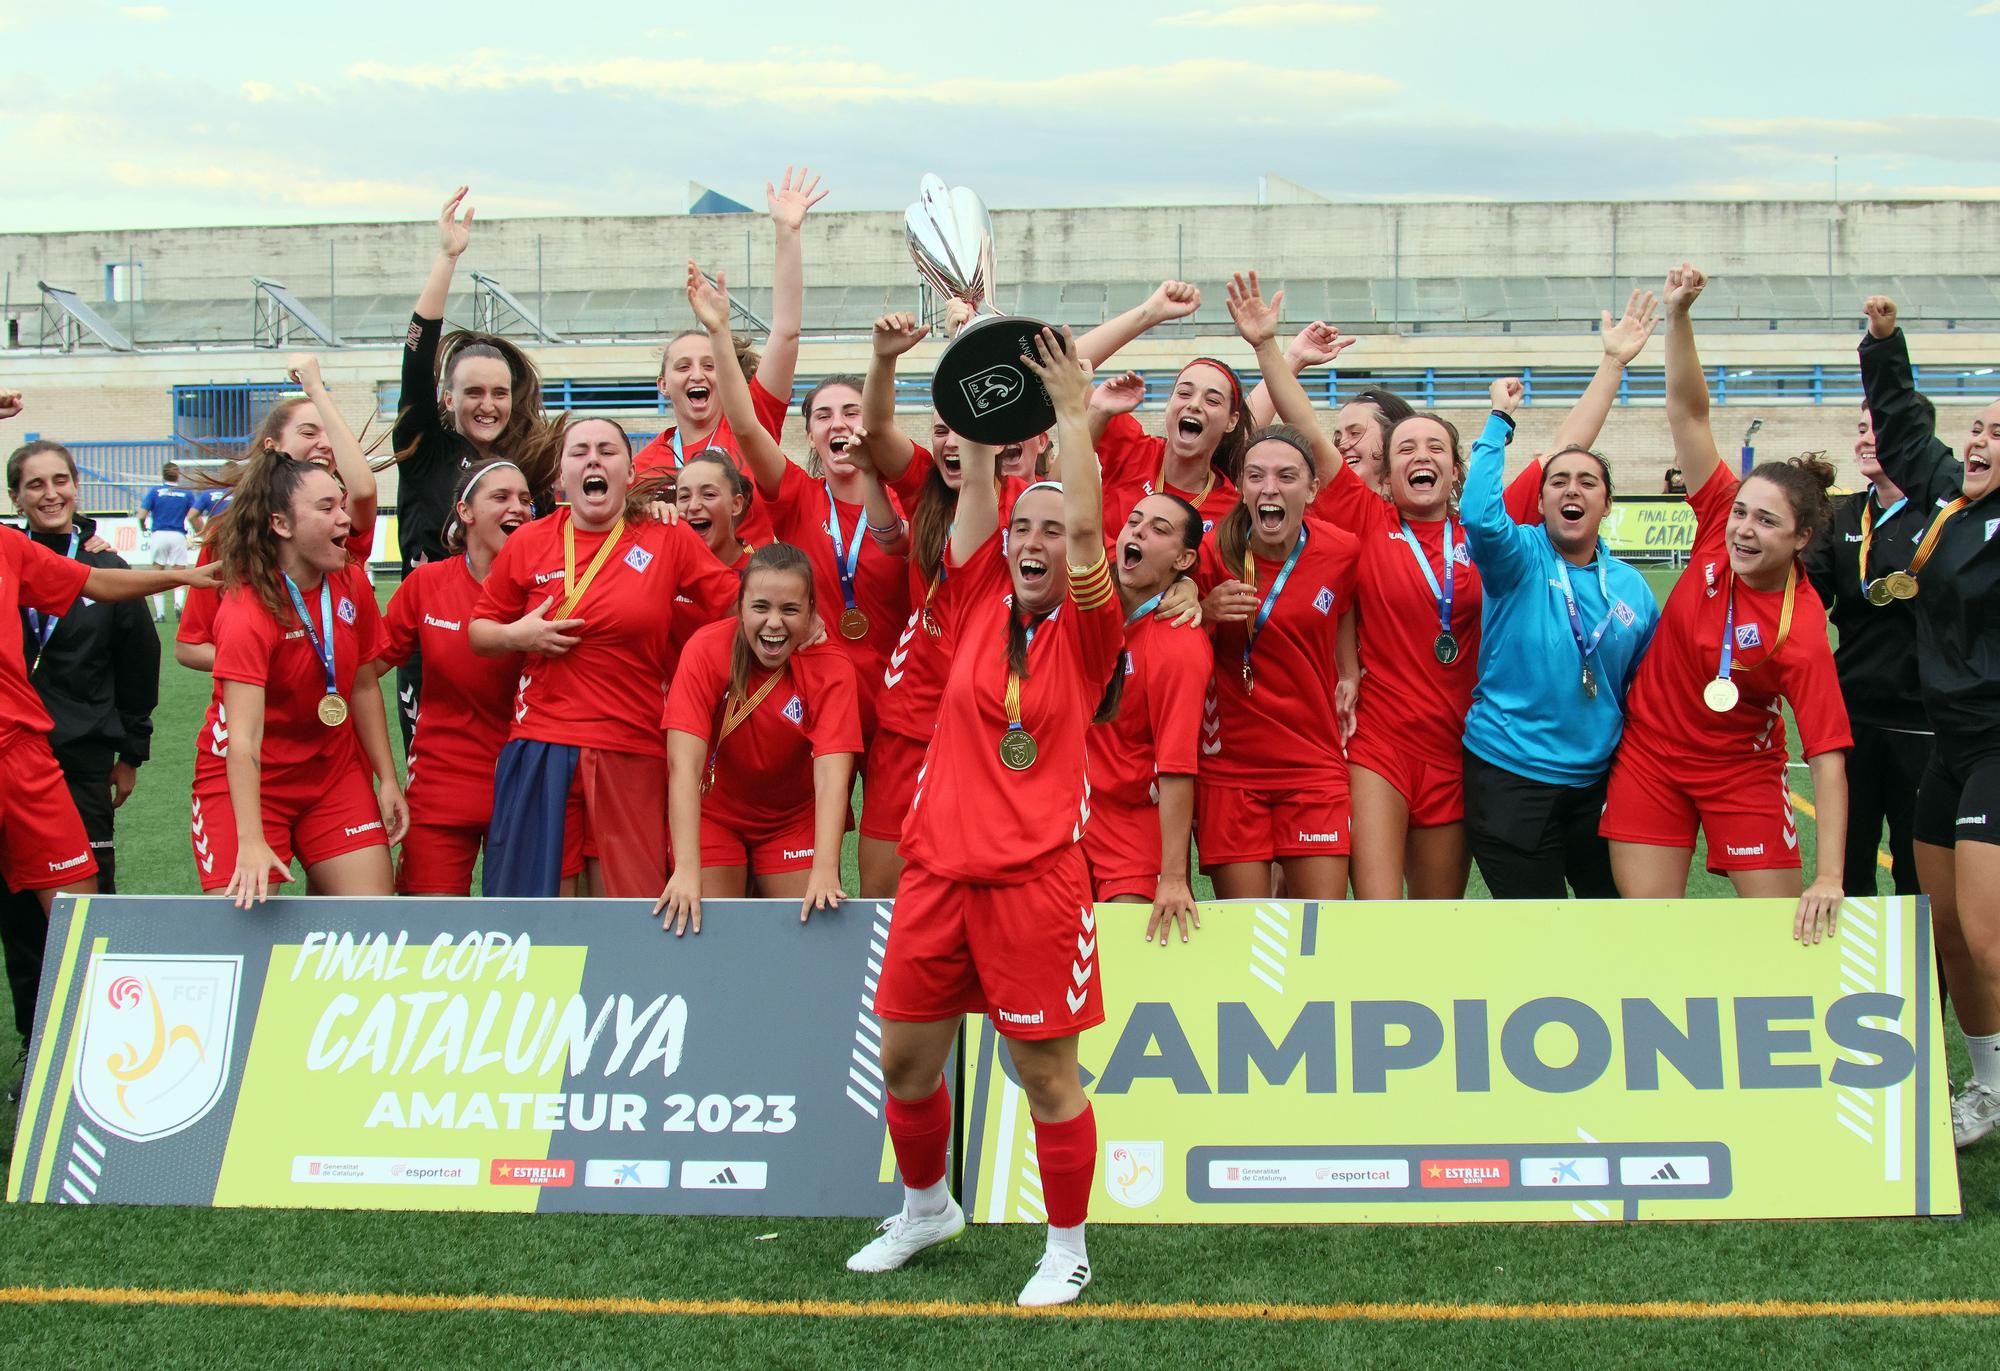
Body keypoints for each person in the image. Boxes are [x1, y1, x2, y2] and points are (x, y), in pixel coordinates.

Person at [851, 328, 1119, 1308]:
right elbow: (969, 482)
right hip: (936, 871)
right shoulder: (971, 599)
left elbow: (1086, 532)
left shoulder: (1088, 630)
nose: (1035, 541)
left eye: (1049, 529)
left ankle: (1066, 1247)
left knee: (1043, 1074)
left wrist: (1072, 415)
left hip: (1034, 882)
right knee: (903, 1062)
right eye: (1022, 529)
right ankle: (926, 1208)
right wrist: (972, 396)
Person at [1239, 272, 1542, 899]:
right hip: (1380, 743)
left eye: (1434, 448)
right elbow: (1308, 430)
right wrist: (1268, 347)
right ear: (1388, 465)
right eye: (1405, 448)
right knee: (1378, 912)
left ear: (1455, 471)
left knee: (1433, 919)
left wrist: (1610, 365)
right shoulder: (1367, 518)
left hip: (1459, 746)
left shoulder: (1486, 531)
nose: (1419, 456)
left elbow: (1567, 454)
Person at [1600, 265, 1849, 939]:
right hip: (1651, 757)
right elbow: (1688, 412)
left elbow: (1827, 754)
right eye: (1742, 511)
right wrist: (1679, 316)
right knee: (1652, 934)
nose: (1743, 529)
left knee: (1778, 937)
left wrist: (1830, 875)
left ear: (1801, 538)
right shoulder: (1715, 520)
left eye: (1766, 521)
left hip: (1741, 771)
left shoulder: (1800, 631)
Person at [470, 417, 739, 899]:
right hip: (542, 742)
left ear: (629, 473)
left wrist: (798, 616)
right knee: (538, 907)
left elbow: (735, 603)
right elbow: (479, 632)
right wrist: (518, 635)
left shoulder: (666, 537)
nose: (593, 459)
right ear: (561, 476)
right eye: (579, 452)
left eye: (607, 451)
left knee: (629, 904)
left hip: (631, 746)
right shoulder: (529, 541)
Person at [1459, 295, 1666, 898]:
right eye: (1558, 482)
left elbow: (1645, 687)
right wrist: (1499, 422)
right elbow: (1478, 514)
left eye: (1587, 483)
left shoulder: (1631, 589)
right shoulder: (1519, 557)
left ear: (1607, 503)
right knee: (1539, 932)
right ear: (1543, 500)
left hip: (1598, 783)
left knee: (1611, 924)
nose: (1572, 491)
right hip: (1509, 776)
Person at [1856, 295, 2000, 1147]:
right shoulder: (1954, 504)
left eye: (1998, 434)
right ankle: (1988, 1087)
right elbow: (1907, 433)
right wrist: (1885, 345)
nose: (1979, 441)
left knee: (1988, 937)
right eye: (1978, 427)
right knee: (1946, 930)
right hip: (1951, 746)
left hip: (1998, 749)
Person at [687, 263, 911, 742]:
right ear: (810, 434)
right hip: (815, 687)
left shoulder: (905, 501)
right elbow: (745, 426)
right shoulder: (795, 495)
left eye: (851, 411)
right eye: (823, 416)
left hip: (897, 694)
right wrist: (720, 333)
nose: (838, 424)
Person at [2, 440, 160, 1081]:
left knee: (87, 903)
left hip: (79, 758)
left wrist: (132, 750)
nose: (50, 494)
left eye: (60, 480)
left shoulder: (104, 564)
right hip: (14, 755)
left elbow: (139, 660)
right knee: (19, 914)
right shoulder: (10, 557)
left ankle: (101, 1047)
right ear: (15, 497)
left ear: (76, 486)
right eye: (35, 484)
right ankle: (35, 1041)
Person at [386, 187, 562, 743]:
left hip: (513, 636)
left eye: (499, 393)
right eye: (473, 392)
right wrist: (447, 258)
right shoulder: (425, 448)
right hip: (433, 646)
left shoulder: (529, 467)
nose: (488, 405)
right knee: (438, 779)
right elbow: (416, 359)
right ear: (447, 398)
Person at [195, 449, 406, 906]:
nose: (344, 519)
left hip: (332, 773)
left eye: (341, 505)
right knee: (242, 928)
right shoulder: (246, 610)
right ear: (281, 524)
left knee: (371, 921)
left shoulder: (351, 582)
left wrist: (387, 778)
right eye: (326, 508)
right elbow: (244, 740)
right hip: (250, 782)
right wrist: (251, 840)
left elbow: (363, 684)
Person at [1798, 367, 1954, 898]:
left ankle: (1927, 956)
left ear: (1914, 441)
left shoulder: (1947, 516)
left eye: (1879, 427)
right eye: (1862, 428)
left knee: (1921, 872)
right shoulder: (1842, 513)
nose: (1866, 438)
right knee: (1849, 865)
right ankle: (1853, 957)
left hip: (1925, 721)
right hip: (1853, 716)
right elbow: (1808, 597)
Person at [1192, 415, 1360, 901]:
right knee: (1246, 933)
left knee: (1316, 929)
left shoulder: (1341, 549)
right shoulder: (1209, 554)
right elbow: (1172, 636)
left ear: (1311, 489)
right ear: (1242, 488)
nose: (1270, 488)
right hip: (1230, 770)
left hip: (1312, 765)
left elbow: (1342, 607)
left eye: (1286, 476)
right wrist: (1205, 610)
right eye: (1256, 476)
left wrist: (1349, 672)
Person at [655, 543, 861, 931]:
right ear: (740, 606)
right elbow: (684, 766)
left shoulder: (831, 667)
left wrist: (824, 868)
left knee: (810, 929)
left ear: (812, 612)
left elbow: (832, 775)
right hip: (715, 814)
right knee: (707, 927)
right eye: (761, 607)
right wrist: (686, 868)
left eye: (790, 610)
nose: (773, 623)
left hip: (791, 821)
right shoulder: (705, 649)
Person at [633, 167, 823, 551]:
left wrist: (787, 233)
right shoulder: (644, 465)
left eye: (710, 365)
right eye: (683, 366)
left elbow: (786, 333)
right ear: (663, 385)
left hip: (750, 586)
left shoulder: (752, 419)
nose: (697, 375)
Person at [371, 461, 532, 896]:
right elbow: (366, 671)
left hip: (523, 785)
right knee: (429, 924)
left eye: (525, 500)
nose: (518, 507)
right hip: (441, 785)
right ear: (465, 511)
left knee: (522, 928)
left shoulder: (548, 589)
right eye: (501, 497)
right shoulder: (427, 583)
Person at [176, 357, 379, 673]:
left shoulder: (339, 521)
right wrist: (264, 662)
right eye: (309, 433)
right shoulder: (229, 536)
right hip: (252, 701)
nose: (325, 444)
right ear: (272, 446)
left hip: (331, 705)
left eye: (331, 435)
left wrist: (317, 390)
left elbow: (364, 491)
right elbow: (190, 646)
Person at [1088, 492, 1208, 943]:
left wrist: (1173, 877)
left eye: (1159, 529)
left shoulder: (1179, 646)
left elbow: (1176, 766)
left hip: (1130, 833)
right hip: (1066, 821)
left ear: (1184, 559)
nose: (1138, 531)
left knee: (1128, 960)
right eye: (1134, 521)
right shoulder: (1086, 605)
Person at [675, 451, 757, 571]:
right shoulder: (668, 566)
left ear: (736, 504)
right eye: (684, 496)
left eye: (709, 494)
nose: (693, 506)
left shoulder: (759, 570)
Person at [139, 461, 199, 621]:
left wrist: (143, 528)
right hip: (178, 535)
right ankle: (178, 605)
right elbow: (193, 515)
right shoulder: (186, 493)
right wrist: (199, 532)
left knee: (157, 574)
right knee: (179, 574)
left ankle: (160, 614)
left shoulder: (155, 492)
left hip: (159, 534)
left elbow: (142, 515)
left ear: (163, 475)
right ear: (178, 475)